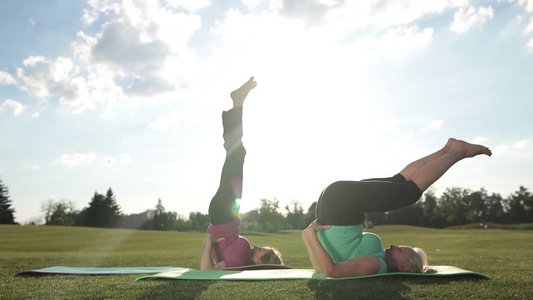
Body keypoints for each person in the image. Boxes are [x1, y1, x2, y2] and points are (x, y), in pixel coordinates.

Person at [302, 138, 492, 277]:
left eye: (401, 250)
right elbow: (323, 269)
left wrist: (309, 237)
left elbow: (327, 270)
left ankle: (456, 152)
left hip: (340, 204)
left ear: (404, 267)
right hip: (338, 202)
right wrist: (308, 237)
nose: (393, 245)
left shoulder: (376, 264)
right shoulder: (378, 258)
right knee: (399, 182)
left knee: (409, 192)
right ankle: (448, 149)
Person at [200, 77, 283, 270]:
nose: (262, 247)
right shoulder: (243, 252)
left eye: (266, 252)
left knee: (237, 153)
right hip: (226, 213)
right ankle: (237, 103)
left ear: (259, 262)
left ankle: (237, 102)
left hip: (223, 214)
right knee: (236, 152)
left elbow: (207, 271)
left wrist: (207, 245)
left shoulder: (237, 262)